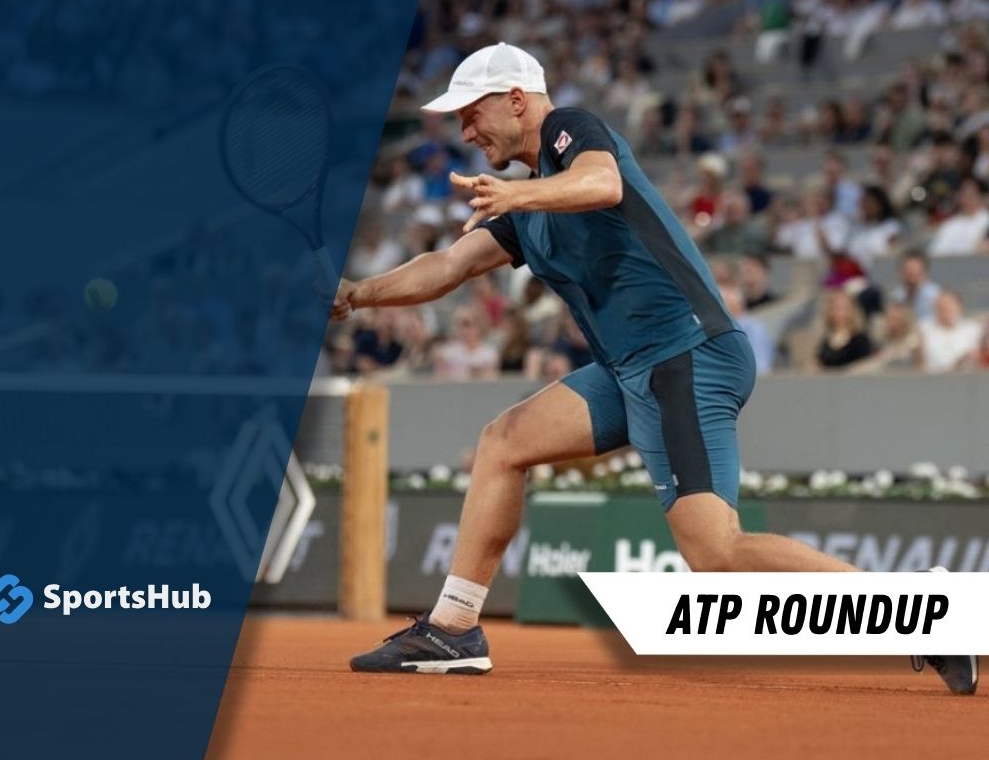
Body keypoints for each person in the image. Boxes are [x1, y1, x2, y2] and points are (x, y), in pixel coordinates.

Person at [330, 43, 975, 693]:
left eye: (472, 113)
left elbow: (603, 183)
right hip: (630, 371)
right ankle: (454, 627)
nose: (465, 131)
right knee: (505, 442)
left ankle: (924, 613)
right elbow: (446, 267)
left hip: (685, 355)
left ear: (517, 100)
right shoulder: (528, 205)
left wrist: (519, 199)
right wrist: (355, 294)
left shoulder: (568, 131)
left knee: (715, 555)